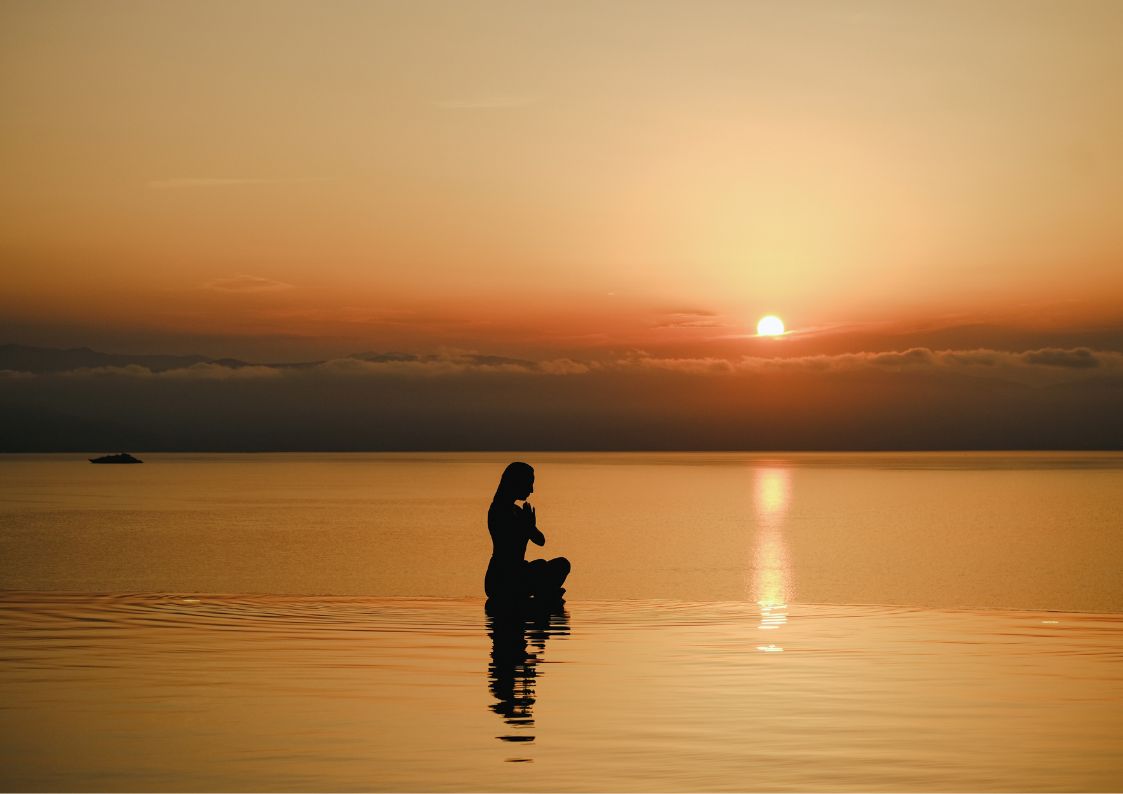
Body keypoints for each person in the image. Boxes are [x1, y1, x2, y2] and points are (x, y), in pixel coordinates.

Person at [485, 462, 570, 604]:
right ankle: (544, 594)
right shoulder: (497, 511)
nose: (532, 490)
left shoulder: (517, 511)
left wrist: (531, 527)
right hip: (500, 580)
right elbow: (508, 542)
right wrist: (526, 527)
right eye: (529, 484)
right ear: (516, 483)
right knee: (542, 568)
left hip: (519, 571)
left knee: (562, 564)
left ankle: (543, 592)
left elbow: (541, 541)